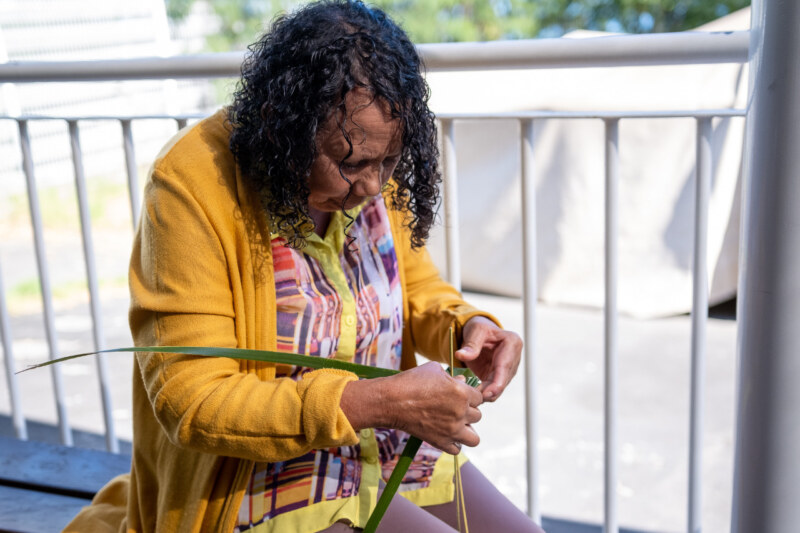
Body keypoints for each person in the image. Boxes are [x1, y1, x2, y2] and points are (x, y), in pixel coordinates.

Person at [65, 1, 545, 532]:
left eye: (388, 162)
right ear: (284, 129)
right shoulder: (191, 183)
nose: (371, 187)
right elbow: (191, 400)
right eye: (351, 164)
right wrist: (376, 401)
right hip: (252, 480)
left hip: (375, 449)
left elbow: (415, 288)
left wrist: (468, 327)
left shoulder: (367, 152)